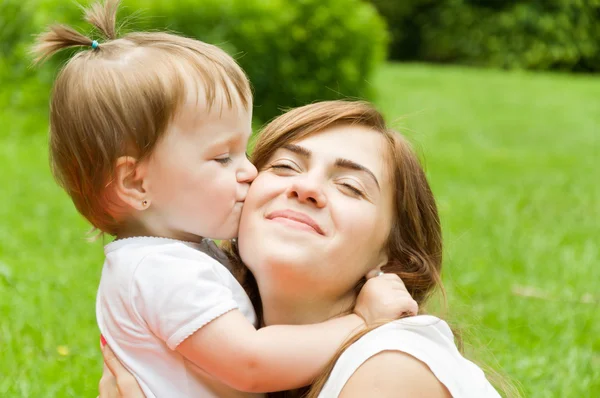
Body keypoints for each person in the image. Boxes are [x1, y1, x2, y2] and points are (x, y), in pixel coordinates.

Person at [32, 1, 418, 397]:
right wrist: (360, 321)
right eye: (222, 157)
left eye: (244, 150)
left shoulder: (177, 258)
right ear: (136, 183)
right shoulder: (160, 270)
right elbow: (252, 365)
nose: (250, 170)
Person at [99, 100, 504, 397]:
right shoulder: (213, 358)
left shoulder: (392, 366)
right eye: (284, 167)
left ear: (392, 257)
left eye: (350, 186)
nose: (306, 188)